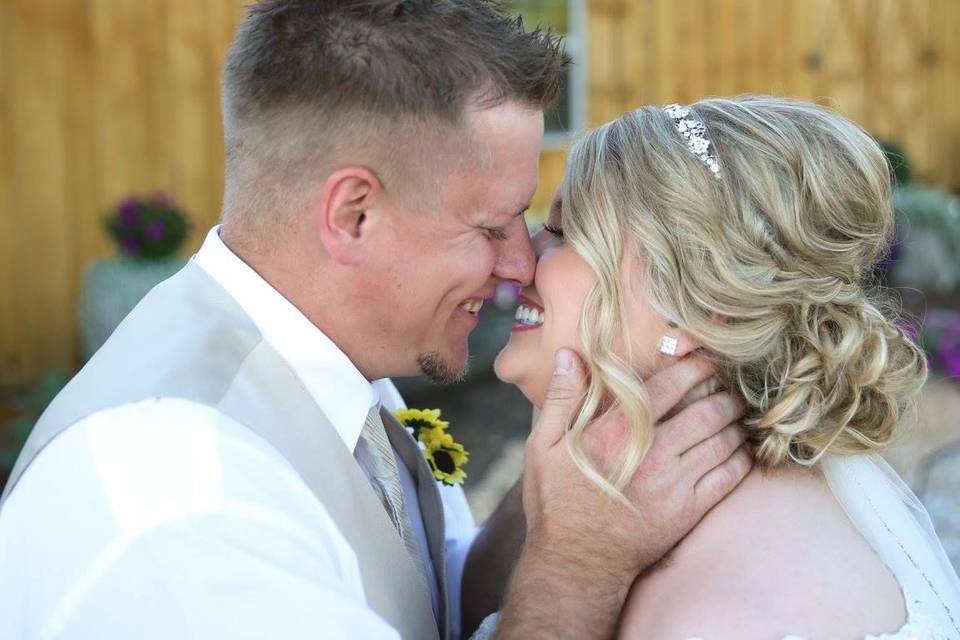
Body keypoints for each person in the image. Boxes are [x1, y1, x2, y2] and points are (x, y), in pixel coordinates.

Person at [0, 3, 751, 639]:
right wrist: (577, 572)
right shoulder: (182, 502)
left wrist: (576, 482)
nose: (522, 264)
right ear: (353, 216)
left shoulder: (327, 370)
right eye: (494, 226)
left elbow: (432, 593)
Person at [485, 96, 960, 639]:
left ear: (699, 304)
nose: (519, 262)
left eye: (567, 233)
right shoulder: (608, 513)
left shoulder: (729, 617)